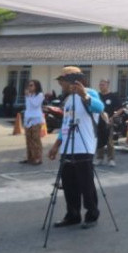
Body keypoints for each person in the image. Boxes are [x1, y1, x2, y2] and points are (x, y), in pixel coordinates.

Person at [48, 66, 105, 229]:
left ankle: (92, 215)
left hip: (84, 146)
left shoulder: (89, 93)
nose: (61, 84)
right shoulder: (67, 100)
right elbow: (65, 125)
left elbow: (100, 108)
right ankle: (72, 215)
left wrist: (84, 95)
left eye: (63, 81)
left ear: (73, 81)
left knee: (86, 184)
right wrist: (56, 146)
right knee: (69, 184)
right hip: (68, 148)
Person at [95, 79, 121, 167]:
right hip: (98, 121)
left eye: (103, 85)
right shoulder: (97, 96)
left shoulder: (113, 96)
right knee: (99, 140)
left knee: (109, 141)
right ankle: (99, 158)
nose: (101, 86)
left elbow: (121, 108)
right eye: (100, 85)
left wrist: (113, 117)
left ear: (107, 85)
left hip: (109, 122)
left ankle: (111, 159)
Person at [20, 79, 44, 165]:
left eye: (31, 85)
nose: (29, 87)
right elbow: (28, 107)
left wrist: (29, 96)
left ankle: (38, 158)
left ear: (36, 86)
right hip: (28, 118)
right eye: (28, 85)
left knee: (35, 138)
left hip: (36, 119)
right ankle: (30, 157)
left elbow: (35, 104)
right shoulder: (28, 95)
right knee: (28, 139)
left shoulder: (40, 95)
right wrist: (28, 96)